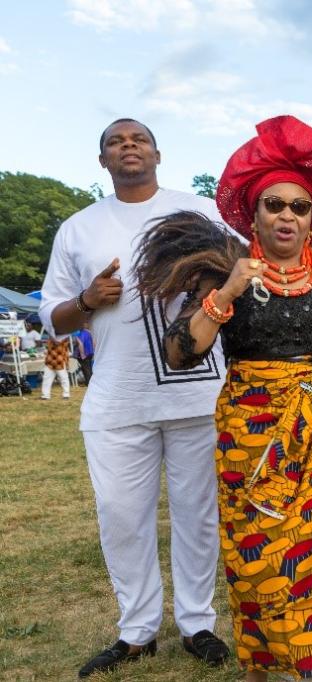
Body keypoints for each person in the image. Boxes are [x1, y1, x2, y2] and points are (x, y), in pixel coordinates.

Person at [133, 114, 312, 682]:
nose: (286, 216)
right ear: (252, 213)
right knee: (266, 548)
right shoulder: (223, 273)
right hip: (257, 434)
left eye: (299, 208)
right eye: (274, 205)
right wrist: (229, 289)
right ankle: (266, 660)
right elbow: (181, 353)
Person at [39, 118, 230, 678]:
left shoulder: (199, 211)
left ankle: (198, 622)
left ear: (158, 153)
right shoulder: (78, 228)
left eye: (138, 139)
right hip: (118, 398)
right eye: (115, 142)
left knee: (198, 515)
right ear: (102, 161)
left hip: (197, 392)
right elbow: (52, 317)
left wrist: (196, 280)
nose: (128, 146)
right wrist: (87, 298)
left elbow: (234, 274)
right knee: (122, 515)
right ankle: (137, 629)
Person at [41, 335, 71, 400]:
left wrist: (67, 362)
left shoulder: (64, 337)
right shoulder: (50, 338)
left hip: (59, 361)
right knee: (46, 379)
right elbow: (48, 347)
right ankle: (45, 395)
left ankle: (66, 394)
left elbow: (65, 350)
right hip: (50, 361)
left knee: (64, 378)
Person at [74, 320, 94, 385]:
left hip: (84, 354)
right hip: (90, 353)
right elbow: (94, 343)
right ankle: (90, 382)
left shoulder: (81, 334)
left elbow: (80, 344)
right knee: (89, 369)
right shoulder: (90, 333)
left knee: (86, 369)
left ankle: (89, 383)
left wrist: (82, 354)